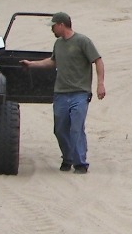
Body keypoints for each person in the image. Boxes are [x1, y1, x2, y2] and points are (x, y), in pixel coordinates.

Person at [20, 12, 106, 174]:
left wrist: (100, 84)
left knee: (76, 128)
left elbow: (98, 60)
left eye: (53, 26)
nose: (52, 29)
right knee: (59, 129)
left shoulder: (82, 41)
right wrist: (32, 64)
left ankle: (80, 163)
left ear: (61, 24)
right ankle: (68, 157)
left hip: (80, 93)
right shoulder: (58, 44)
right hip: (60, 93)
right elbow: (52, 62)